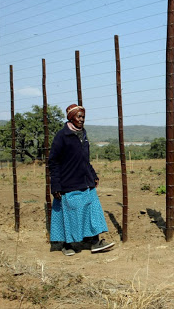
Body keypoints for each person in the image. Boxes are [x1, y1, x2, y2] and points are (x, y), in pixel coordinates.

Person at [49, 104, 114, 256]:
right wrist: (56, 185)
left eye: (83, 117)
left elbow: (84, 159)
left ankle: (95, 242)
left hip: (85, 180)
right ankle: (68, 245)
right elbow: (53, 162)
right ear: (71, 117)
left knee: (92, 210)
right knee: (72, 214)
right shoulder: (62, 136)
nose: (82, 120)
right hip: (68, 182)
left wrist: (93, 174)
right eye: (79, 116)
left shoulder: (83, 134)